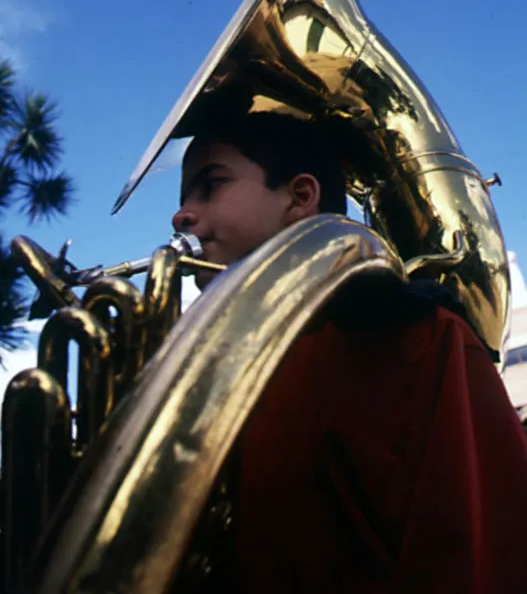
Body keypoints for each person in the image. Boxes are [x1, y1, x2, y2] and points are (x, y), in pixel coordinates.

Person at [172, 111, 527, 593]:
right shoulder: (199, 375)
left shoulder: (419, 340)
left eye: (210, 184)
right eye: (183, 197)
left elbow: (481, 559)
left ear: (300, 197)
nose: (181, 215)